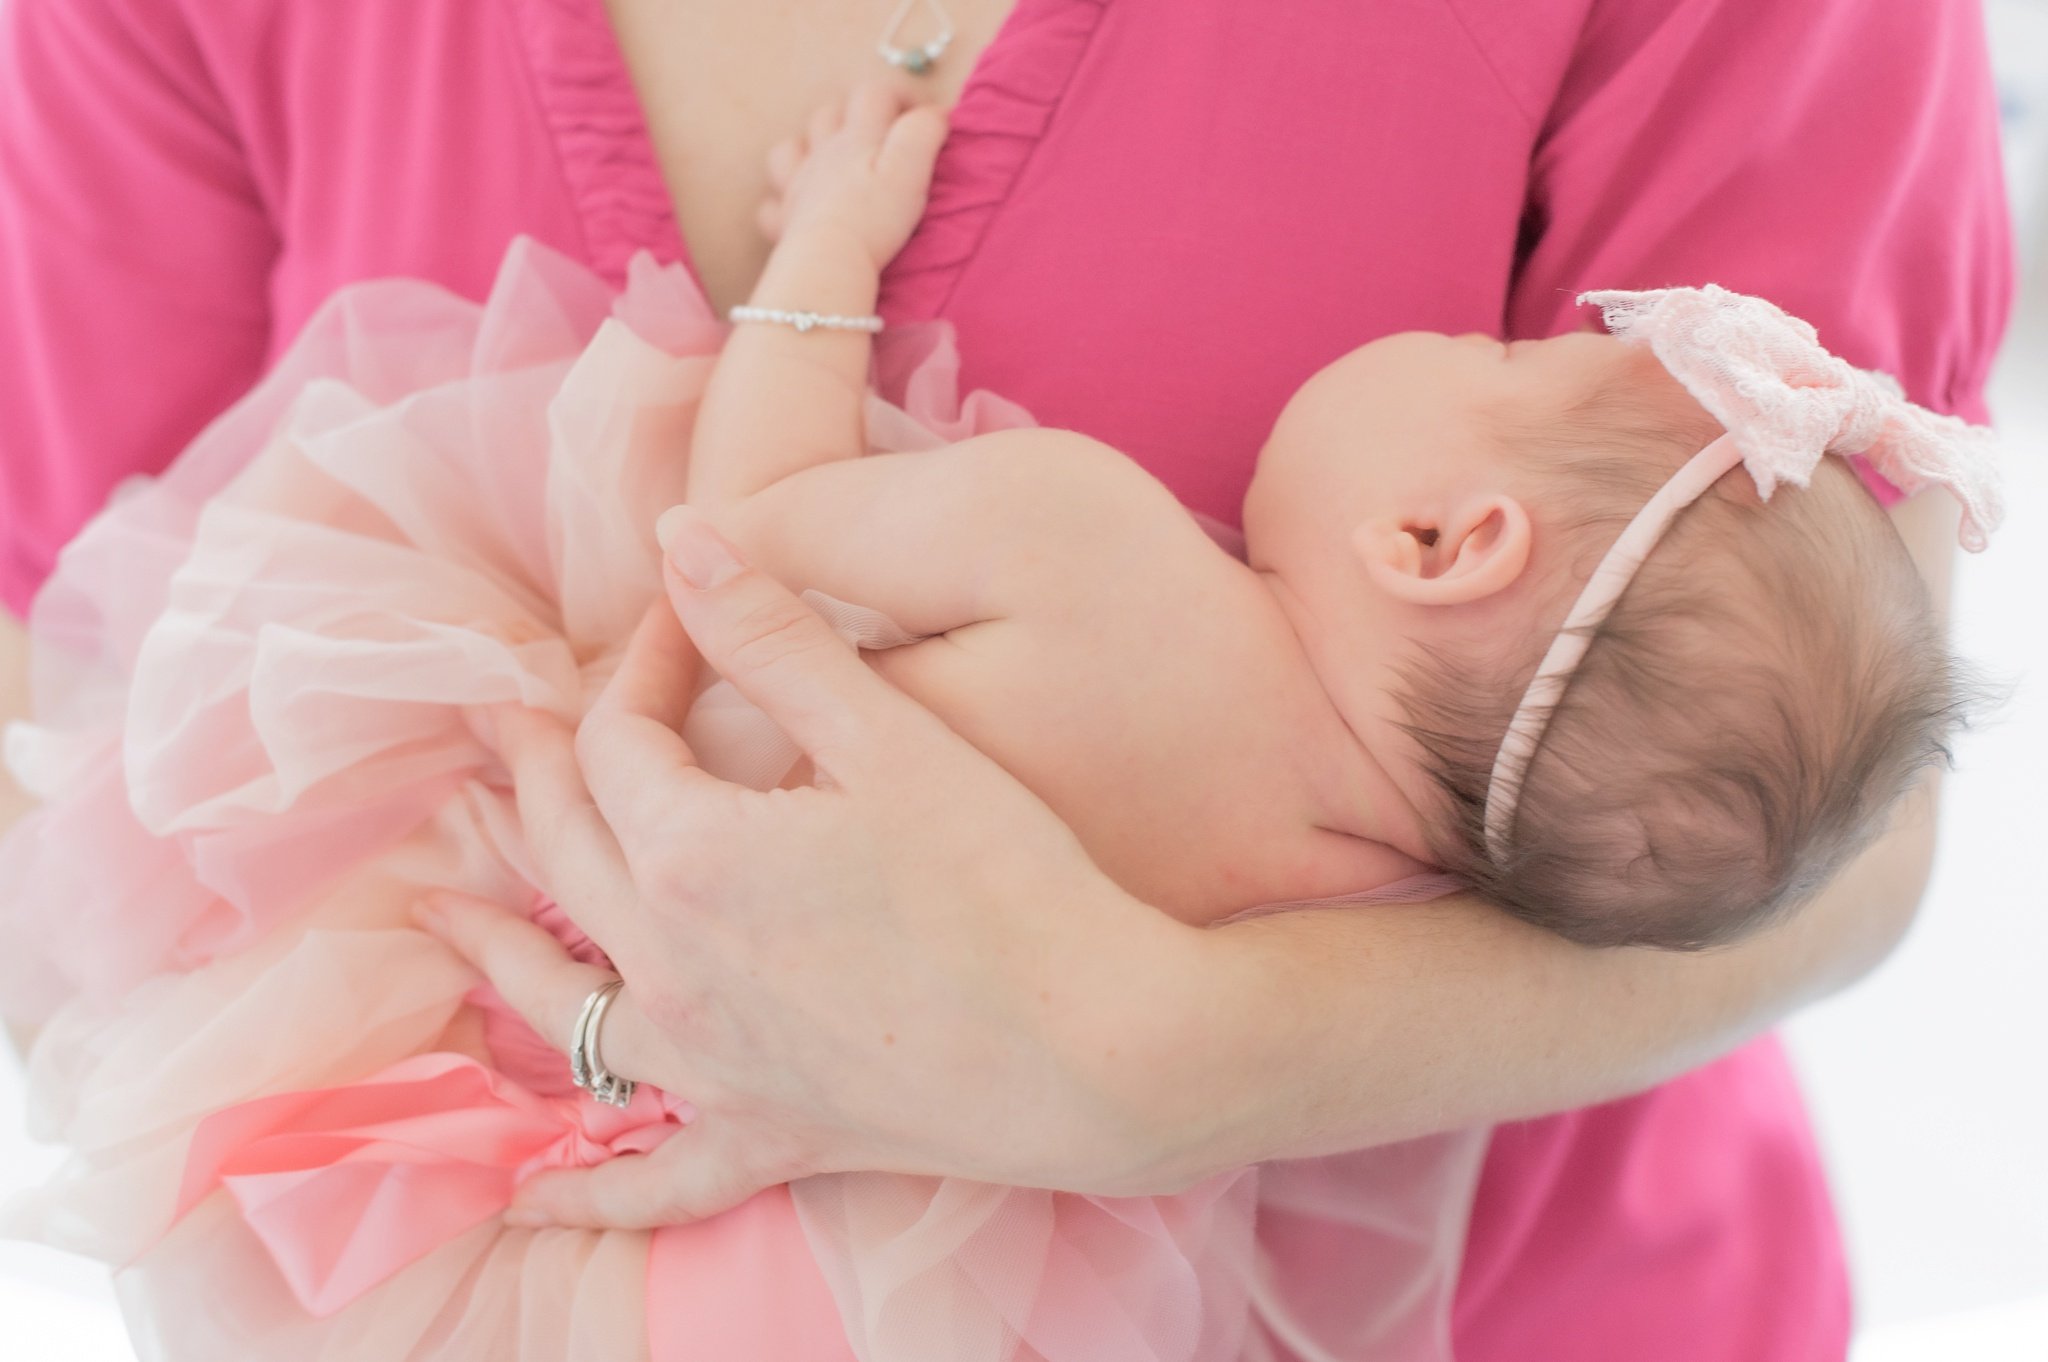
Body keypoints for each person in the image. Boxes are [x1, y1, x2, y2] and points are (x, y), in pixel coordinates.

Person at [0, 0, 2013, 1356]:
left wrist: (819, 271)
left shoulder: (1088, 557)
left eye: (1506, 353)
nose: (1500, 348)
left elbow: (747, 542)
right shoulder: (1366, 821)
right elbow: (37, 662)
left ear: (1445, 545)